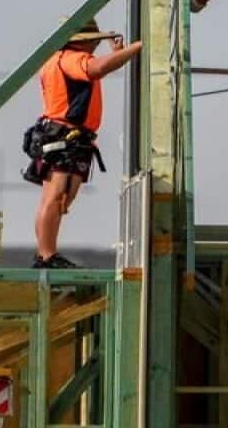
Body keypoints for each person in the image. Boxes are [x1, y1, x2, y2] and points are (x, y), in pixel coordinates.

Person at [21, 18, 142, 269]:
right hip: (65, 135)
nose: (96, 46)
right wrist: (137, 48)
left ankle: (45, 253)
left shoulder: (58, 60)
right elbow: (97, 69)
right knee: (57, 197)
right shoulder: (71, 59)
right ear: (82, 42)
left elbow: (94, 71)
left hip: (59, 134)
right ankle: (47, 255)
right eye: (93, 41)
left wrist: (118, 55)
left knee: (55, 197)